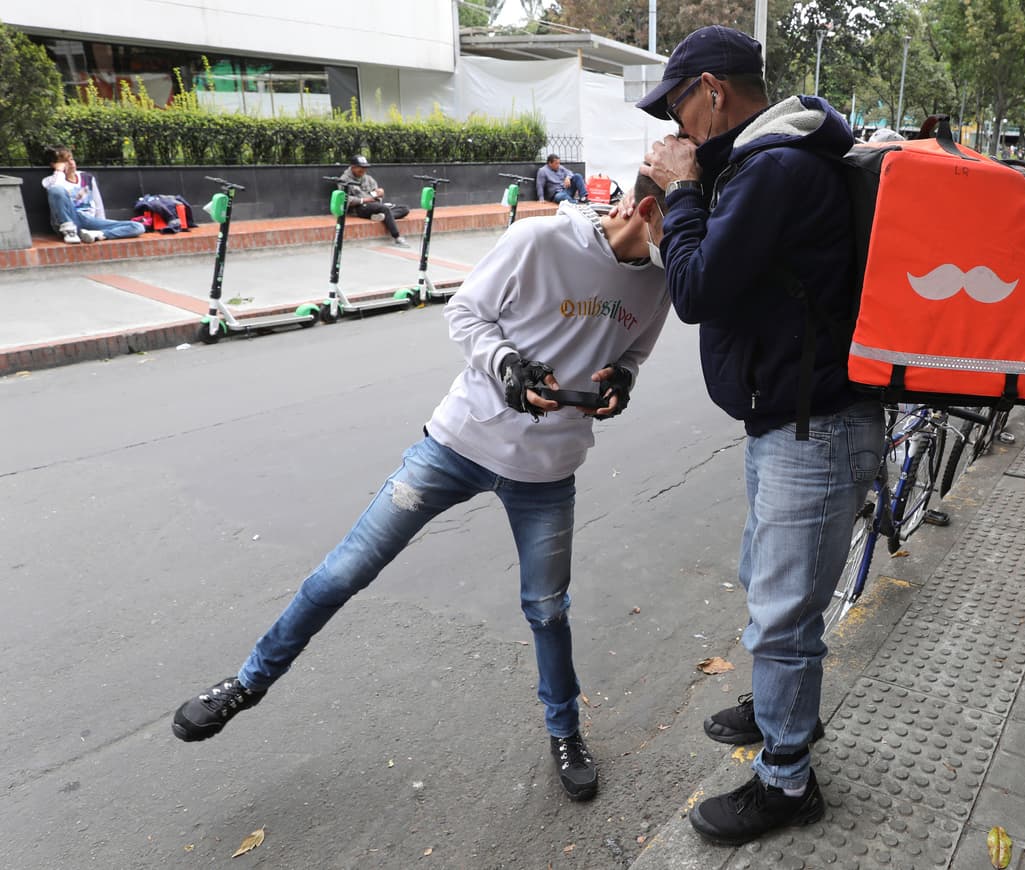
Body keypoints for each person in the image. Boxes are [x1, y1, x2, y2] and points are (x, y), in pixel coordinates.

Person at [170, 171, 672, 803]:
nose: (692, 249)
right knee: (342, 572)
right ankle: (247, 682)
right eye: (682, 230)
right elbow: (466, 312)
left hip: (548, 469)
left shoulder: (661, 279)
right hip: (457, 445)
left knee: (547, 611)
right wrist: (509, 367)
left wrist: (620, 381)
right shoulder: (539, 241)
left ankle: (565, 731)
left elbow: (635, 353)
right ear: (647, 210)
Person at [635, 25, 884, 846]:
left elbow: (699, 286)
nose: (675, 131)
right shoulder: (775, 156)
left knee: (783, 615)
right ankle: (780, 706)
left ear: (711, 90)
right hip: (796, 419)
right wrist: (695, 181)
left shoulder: (773, 167)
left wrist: (677, 193)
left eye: (678, 108)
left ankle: (786, 779)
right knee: (776, 587)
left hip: (813, 427)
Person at [40, 146, 145, 244]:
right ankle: (70, 232)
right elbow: (55, 192)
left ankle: (97, 235)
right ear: (55, 164)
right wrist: (59, 171)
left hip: (90, 221)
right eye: (64, 161)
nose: (70, 163)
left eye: (71, 159)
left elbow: (97, 202)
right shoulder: (51, 181)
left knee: (137, 227)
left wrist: (101, 222)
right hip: (69, 220)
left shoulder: (86, 177)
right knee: (56, 190)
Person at [339, 155, 411, 247]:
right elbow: (345, 199)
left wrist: (379, 193)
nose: (363, 171)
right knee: (384, 208)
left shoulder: (368, 178)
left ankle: (380, 217)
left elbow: (375, 192)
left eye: (365, 168)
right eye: (361, 168)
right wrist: (365, 200)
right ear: (353, 167)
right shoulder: (344, 180)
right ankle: (397, 237)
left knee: (405, 209)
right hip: (359, 208)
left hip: (374, 205)